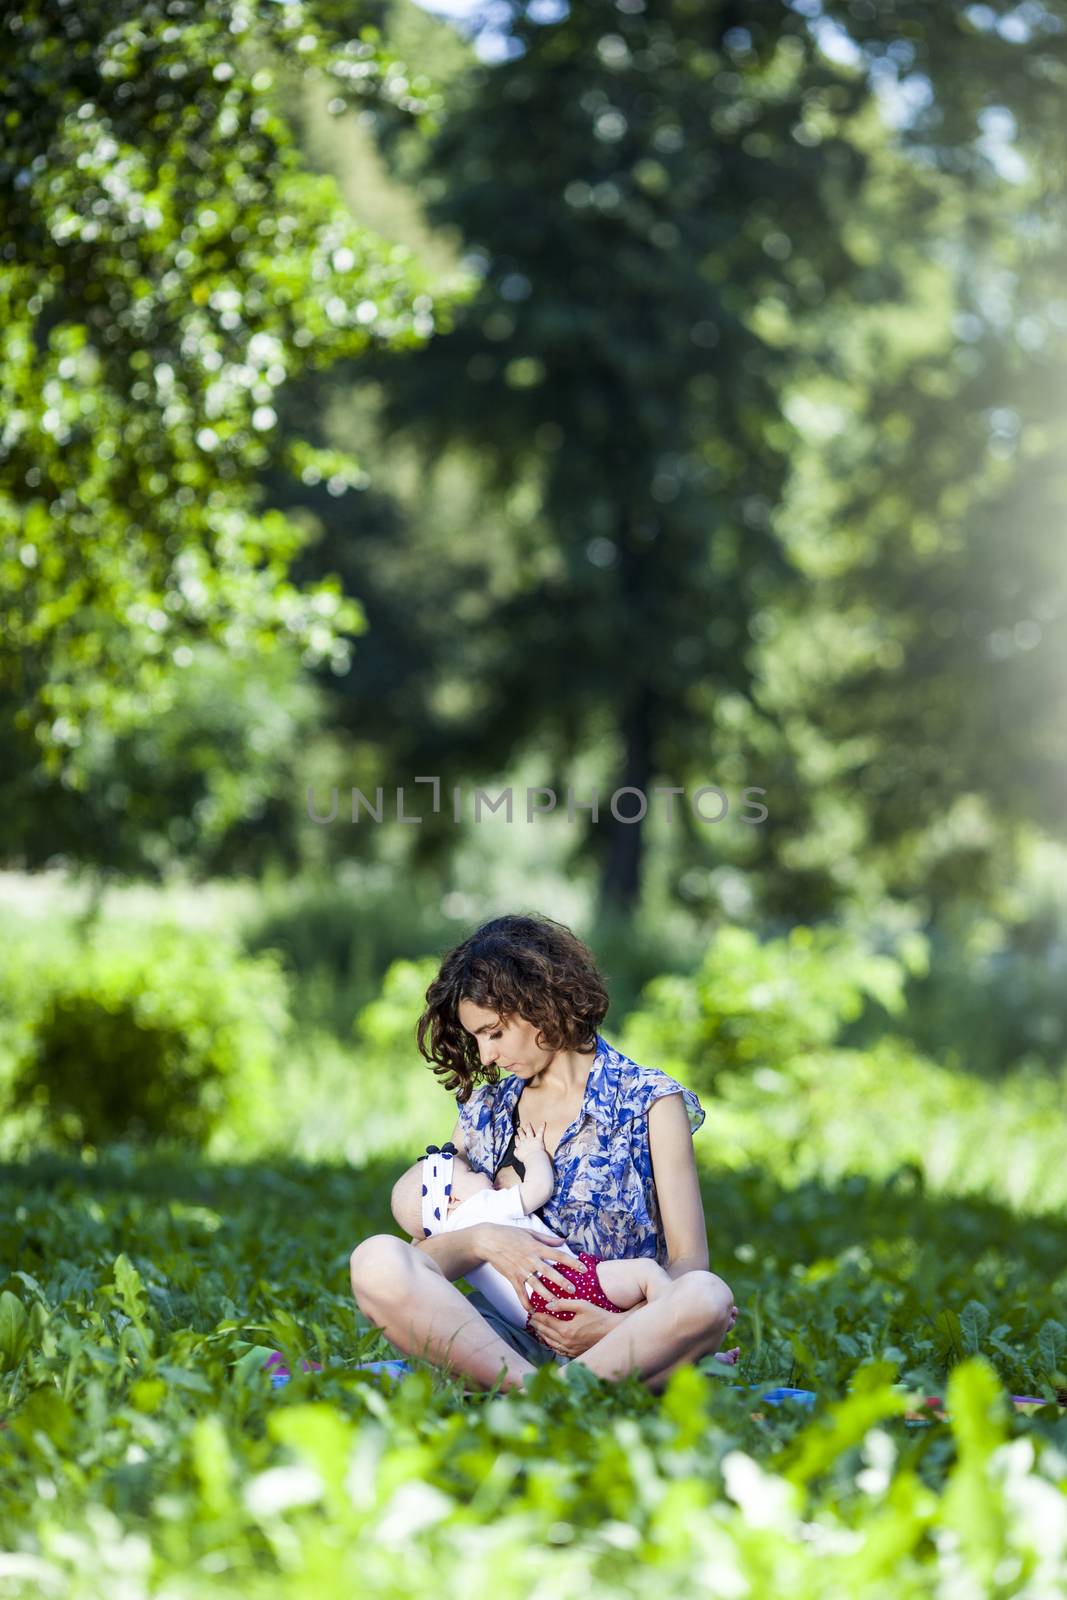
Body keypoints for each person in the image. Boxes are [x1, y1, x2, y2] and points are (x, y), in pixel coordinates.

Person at [349, 912, 737, 1395]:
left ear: (539, 1002)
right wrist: (482, 1241)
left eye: (493, 1032)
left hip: (624, 1334)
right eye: (475, 1039)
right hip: (503, 1344)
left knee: (709, 1297)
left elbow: (687, 1264)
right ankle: (542, 1392)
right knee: (374, 1260)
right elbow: (425, 1253)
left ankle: (557, 1389)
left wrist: (608, 1329)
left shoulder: (649, 1100)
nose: (485, 1055)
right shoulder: (484, 1109)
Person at [388, 1121, 739, 1367]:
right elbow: (538, 1189)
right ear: (451, 1201)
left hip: (540, 1320)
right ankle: (671, 1319)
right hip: (576, 1279)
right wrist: (533, 1154)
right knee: (647, 1273)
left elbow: (415, 1271)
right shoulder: (482, 1207)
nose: (482, 1174)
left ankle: (692, 1355)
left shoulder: (447, 1232)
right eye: (468, 1174)